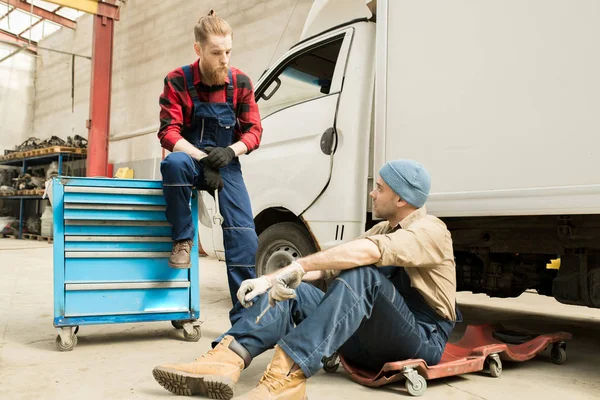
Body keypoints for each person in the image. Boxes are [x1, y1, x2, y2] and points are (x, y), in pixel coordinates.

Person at [152, 160, 461, 400]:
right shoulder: (385, 228)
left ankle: (288, 375)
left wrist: (295, 268)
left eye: (379, 187)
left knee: (363, 274)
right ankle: (228, 358)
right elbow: (332, 262)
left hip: (419, 339)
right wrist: (274, 279)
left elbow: (366, 253)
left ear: (401, 198)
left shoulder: (432, 231)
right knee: (294, 290)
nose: (372, 192)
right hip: (371, 338)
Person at [158, 10, 262, 312]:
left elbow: (254, 131)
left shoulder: (240, 82)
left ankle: (246, 317)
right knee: (174, 164)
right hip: (191, 158)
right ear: (198, 49)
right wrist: (203, 159)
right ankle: (182, 240)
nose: (225, 59)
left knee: (244, 234)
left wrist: (230, 152)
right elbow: (168, 131)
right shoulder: (177, 80)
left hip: (226, 164)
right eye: (217, 52)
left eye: (228, 51)